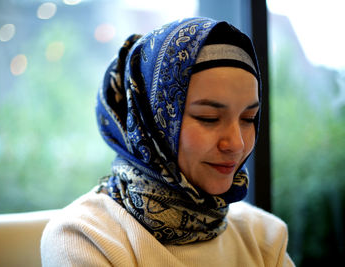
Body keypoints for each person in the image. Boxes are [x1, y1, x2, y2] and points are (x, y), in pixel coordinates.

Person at [41, 17, 295, 266]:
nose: (237, 144)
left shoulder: (264, 236)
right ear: (151, 122)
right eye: (209, 118)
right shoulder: (84, 237)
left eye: (248, 118)